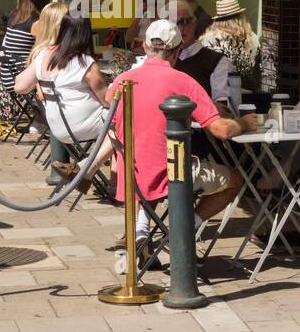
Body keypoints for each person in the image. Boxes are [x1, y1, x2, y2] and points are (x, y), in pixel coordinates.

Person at [104, 19, 256, 252]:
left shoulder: (122, 81)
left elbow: (109, 105)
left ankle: (142, 229)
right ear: (177, 52)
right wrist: (243, 123)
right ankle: (183, 229)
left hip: (131, 173)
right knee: (235, 179)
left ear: (145, 47)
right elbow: (221, 130)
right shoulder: (183, 82)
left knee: (151, 159)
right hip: (170, 175)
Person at [16, 15, 110, 146]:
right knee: (124, 121)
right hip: (85, 127)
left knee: (117, 124)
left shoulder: (44, 55)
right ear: (86, 34)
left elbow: (20, 87)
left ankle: (88, 164)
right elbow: (107, 101)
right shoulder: (85, 62)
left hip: (57, 127)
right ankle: (91, 165)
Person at [0, 0, 51, 122]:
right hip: (18, 76)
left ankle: (40, 121)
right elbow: (47, 47)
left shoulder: (14, 16)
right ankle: (42, 121)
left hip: (6, 72)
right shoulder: (35, 23)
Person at [169, 0, 231, 112]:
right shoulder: (162, 59)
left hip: (202, 126)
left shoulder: (215, 60)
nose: (181, 28)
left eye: (186, 21)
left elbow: (222, 107)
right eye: (174, 23)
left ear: (195, 22)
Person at [199, 0, 259, 90]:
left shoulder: (208, 39)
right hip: (248, 91)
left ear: (218, 19)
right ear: (240, 16)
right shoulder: (253, 38)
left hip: (218, 91)